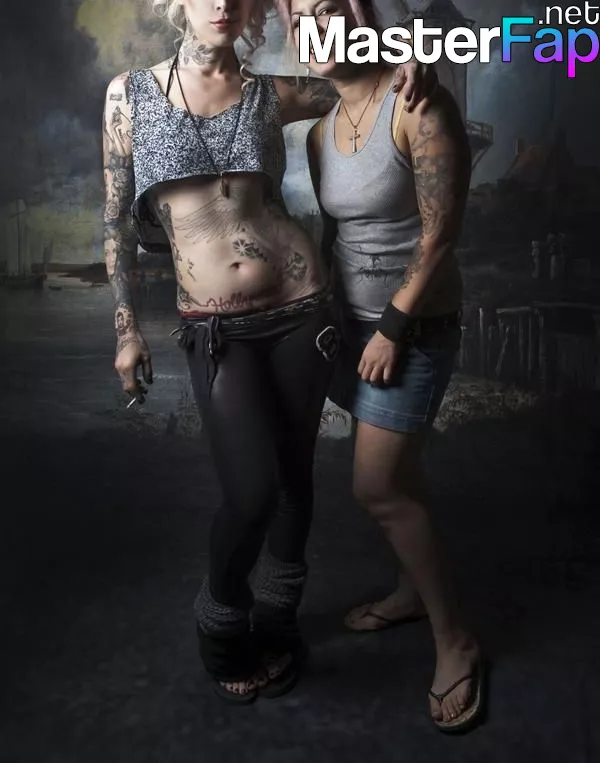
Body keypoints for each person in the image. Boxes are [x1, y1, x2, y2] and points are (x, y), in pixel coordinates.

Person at [102, 0, 433, 704]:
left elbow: (364, 87)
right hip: (215, 328)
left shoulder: (271, 92)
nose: (222, 4)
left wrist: (409, 59)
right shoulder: (128, 96)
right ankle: (222, 629)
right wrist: (126, 328)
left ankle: (279, 620)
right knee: (250, 492)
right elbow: (116, 223)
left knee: (292, 481)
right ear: (177, 5)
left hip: (301, 313)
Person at [278, 0, 486, 733]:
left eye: (329, 10)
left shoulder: (417, 102)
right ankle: (408, 590)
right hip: (351, 327)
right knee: (398, 478)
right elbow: (334, 234)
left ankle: (456, 640)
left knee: (377, 485)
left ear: (360, 13)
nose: (315, 28)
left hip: (412, 328)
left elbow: (442, 233)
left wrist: (393, 326)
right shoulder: (320, 126)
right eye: (300, 17)